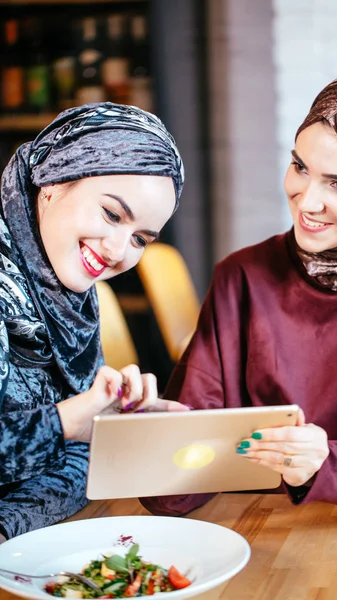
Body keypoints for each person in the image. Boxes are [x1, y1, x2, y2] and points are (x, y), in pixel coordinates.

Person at [140, 70, 337, 516]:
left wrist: (326, 463)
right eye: (300, 166)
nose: (306, 200)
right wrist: (150, 434)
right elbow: (175, 486)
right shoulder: (241, 277)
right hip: (257, 534)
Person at [0, 102, 188, 541]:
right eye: (111, 214)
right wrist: (68, 424)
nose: (119, 250)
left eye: (141, 238)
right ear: (51, 182)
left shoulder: (71, 295)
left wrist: (111, 428)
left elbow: (76, 460)